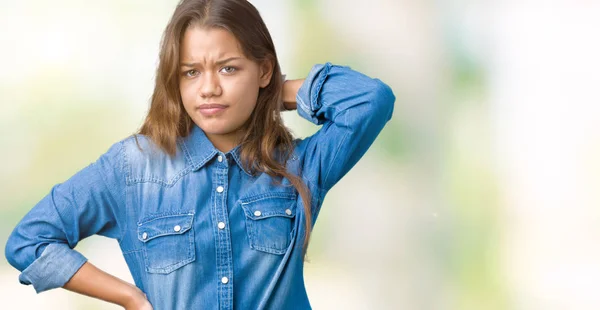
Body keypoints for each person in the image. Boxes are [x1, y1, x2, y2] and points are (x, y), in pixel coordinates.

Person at [4, 0, 395, 309]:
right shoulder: (132, 168)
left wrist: (273, 92)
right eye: (191, 72)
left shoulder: (300, 165)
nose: (208, 88)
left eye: (227, 69)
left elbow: (370, 100)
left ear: (263, 70)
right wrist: (129, 297)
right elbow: (30, 241)